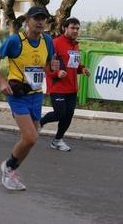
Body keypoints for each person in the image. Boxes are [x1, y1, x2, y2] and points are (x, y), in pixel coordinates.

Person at [0, 6, 59, 191]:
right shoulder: (15, 41)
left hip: (36, 95)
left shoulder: (47, 40)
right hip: (17, 95)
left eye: (43, 19)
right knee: (31, 138)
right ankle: (9, 166)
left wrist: (53, 67)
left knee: (30, 139)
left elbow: (48, 67)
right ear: (27, 21)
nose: (40, 22)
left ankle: (12, 169)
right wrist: (2, 81)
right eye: (36, 19)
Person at [39, 17, 91, 151]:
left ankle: (57, 140)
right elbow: (46, 65)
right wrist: (57, 73)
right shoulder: (55, 43)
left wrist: (82, 69)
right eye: (72, 28)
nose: (75, 31)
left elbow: (74, 65)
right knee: (60, 114)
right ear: (65, 28)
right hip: (58, 86)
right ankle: (40, 123)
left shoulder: (75, 45)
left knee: (68, 116)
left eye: (77, 28)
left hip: (72, 88)